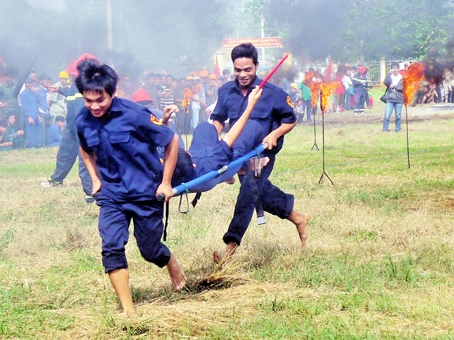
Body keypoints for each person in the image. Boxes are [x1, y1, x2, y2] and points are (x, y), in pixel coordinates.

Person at [75, 59, 185, 316]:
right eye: (88, 100)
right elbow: (84, 148)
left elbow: (171, 140)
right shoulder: (83, 120)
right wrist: (95, 179)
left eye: (99, 99)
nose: (94, 106)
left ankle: (169, 260)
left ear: (112, 93)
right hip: (112, 196)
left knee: (149, 249)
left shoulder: (135, 115)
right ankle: (129, 312)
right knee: (111, 246)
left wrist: (166, 183)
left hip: (146, 193)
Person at [210, 43, 310, 263]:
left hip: (262, 153)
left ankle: (229, 249)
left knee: (247, 192)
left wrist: (275, 134)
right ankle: (298, 217)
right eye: (238, 70)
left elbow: (291, 119)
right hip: (238, 152)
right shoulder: (225, 91)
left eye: (248, 69)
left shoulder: (273, 93)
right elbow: (218, 118)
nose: (243, 74)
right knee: (259, 191)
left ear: (256, 66)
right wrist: (216, 136)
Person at [172, 86, 265, 192]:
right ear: (193, 164)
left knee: (204, 127)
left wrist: (165, 119)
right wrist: (250, 106)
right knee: (252, 126)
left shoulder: (166, 169)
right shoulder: (210, 164)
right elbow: (230, 137)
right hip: (218, 158)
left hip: (201, 151)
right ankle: (241, 167)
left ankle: (218, 146)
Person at [41, 55, 93, 203]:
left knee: (85, 159)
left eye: (71, 74)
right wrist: (59, 90)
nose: (69, 76)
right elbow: (72, 95)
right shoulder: (75, 86)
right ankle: (57, 179)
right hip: (71, 126)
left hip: (81, 126)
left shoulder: (81, 85)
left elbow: (78, 104)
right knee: (64, 153)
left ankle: (91, 192)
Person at [20, 77, 43, 148]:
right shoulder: (23, 94)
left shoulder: (33, 93)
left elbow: (35, 104)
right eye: (29, 83)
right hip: (29, 116)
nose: (30, 84)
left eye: (31, 82)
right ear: (25, 84)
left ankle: (39, 146)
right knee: (31, 133)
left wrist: (39, 115)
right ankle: (32, 147)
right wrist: (29, 117)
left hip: (36, 115)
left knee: (39, 131)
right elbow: (24, 107)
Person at [382, 62, 403, 132]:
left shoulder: (401, 77)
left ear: (398, 69)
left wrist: (394, 86)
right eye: (393, 68)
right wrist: (388, 74)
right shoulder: (390, 77)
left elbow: (403, 87)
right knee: (387, 115)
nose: (395, 70)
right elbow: (385, 82)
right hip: (390, 99)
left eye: (396, 68)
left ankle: (398, 129)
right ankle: (385, 129)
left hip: (399, 99)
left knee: (398, 116)